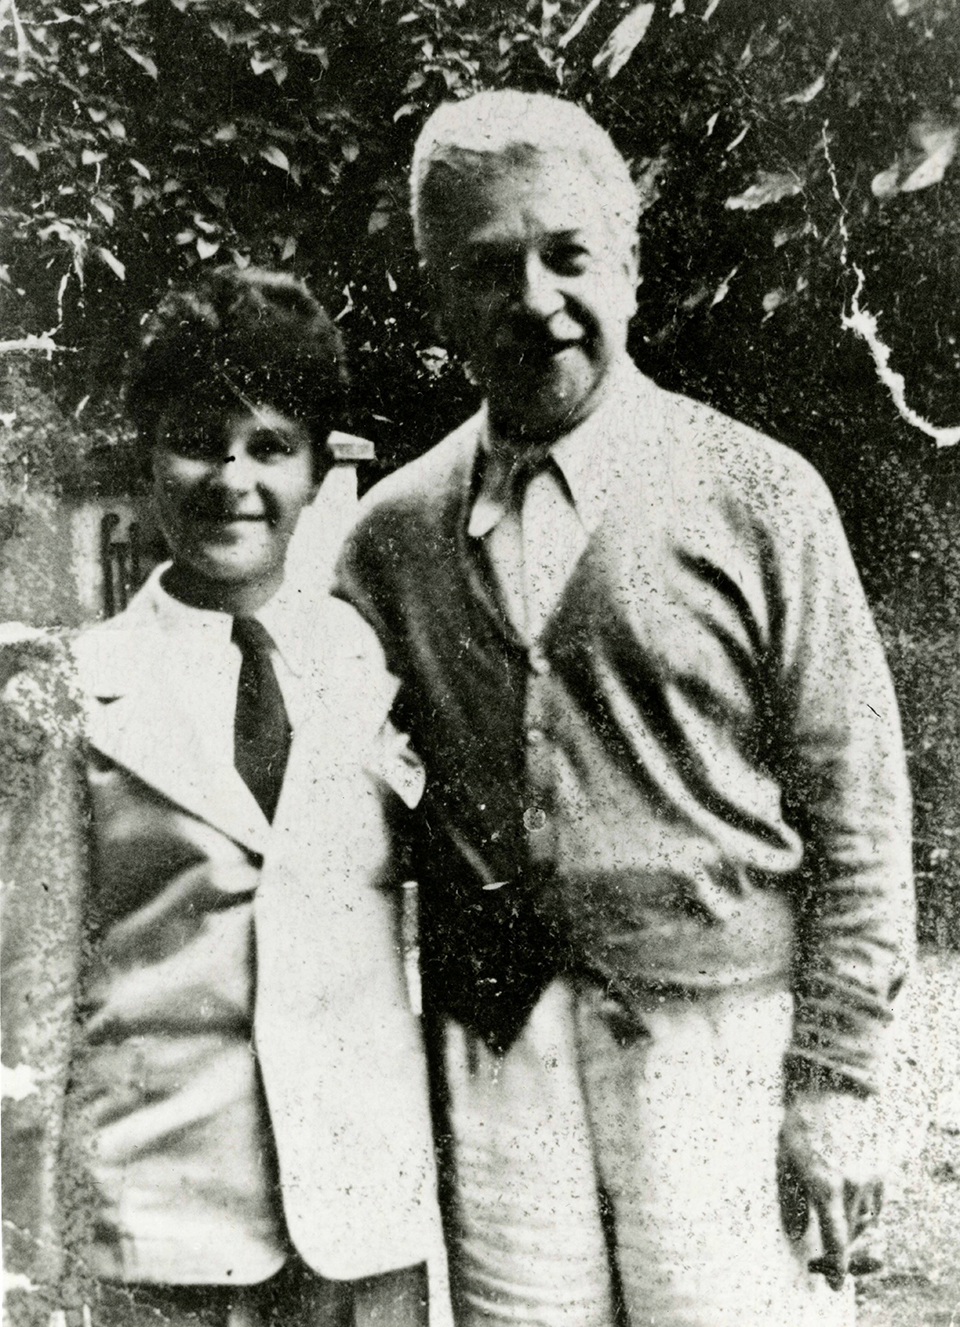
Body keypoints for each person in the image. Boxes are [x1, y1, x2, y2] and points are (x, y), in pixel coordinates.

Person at [334, 91, 915, 1327]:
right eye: (488, 268)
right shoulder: (389, 539)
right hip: (501, 1059)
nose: (535, 299)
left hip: (720, 1051)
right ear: (440, 295)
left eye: (568, 255)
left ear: (632, 267)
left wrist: (836, 1078)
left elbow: (859, 809)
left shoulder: (760, 495)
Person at [1, 267, 449, 1327]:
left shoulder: (371, 662)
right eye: (199, 439)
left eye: (269, 446)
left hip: (358, 1228)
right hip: (163, 1224)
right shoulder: (71, 690)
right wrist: (25, 1266)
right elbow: (29, 998)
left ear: (312, 469)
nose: (231, 479)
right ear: (151, 453)